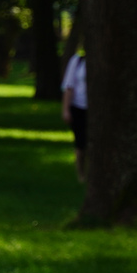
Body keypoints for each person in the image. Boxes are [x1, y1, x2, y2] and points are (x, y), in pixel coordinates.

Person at [61, 48, 88, 184]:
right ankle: (81, 174)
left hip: (94, 108)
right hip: (78, 107)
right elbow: (68, 86)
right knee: (80, 143)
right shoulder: (77, 61)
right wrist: (66, 109)